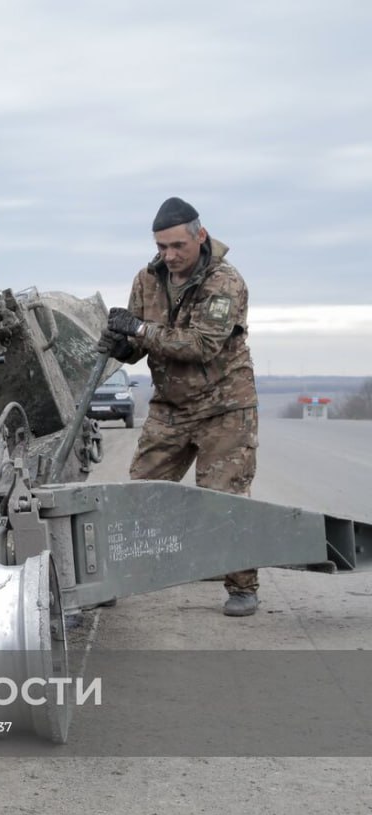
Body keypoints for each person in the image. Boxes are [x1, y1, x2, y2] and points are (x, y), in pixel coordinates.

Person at [98, 197, 260, 616]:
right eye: (161, 247)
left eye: (177, 246)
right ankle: (109, 579)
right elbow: (140, 341)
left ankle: (242, 586)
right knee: (137, 497)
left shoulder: (225, 282)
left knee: (225, 500)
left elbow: (202, 346)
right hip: (170, 408)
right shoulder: (146, 279)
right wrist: (123, 344)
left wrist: (138, 329)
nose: (168, 256)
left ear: (199, 236)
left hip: (224, 408)